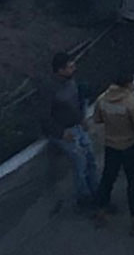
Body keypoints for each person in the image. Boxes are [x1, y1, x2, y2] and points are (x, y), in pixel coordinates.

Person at [93, 70, 134, 235]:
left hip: (111, 145)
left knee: (107, 179)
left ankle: (100, 212)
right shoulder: (131, 104)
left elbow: (97, 119)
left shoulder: (102, 99)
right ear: (128, 83)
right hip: (130, 146)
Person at [43, 51, 100, 211]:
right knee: (79, 162)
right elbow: (44, 116)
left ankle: (96, 192)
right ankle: (83, 198)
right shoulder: (49, 89)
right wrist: (60, 133)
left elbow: (75, 103)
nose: (74, 69)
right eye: (70, 67)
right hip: (64, 132)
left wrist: (82, 119)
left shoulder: (71, 82)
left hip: (77, 127)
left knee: (90, 159)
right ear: (60, 70)